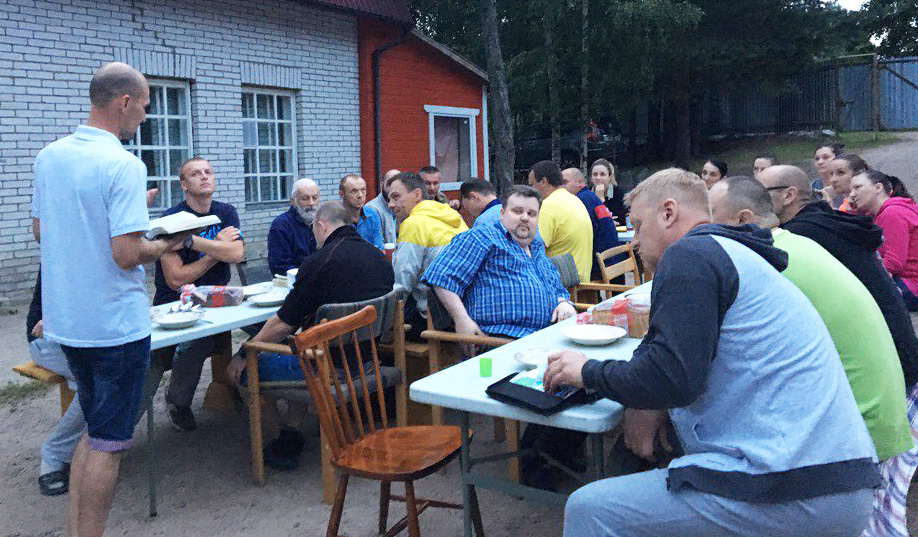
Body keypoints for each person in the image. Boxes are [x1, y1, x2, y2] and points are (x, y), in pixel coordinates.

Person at [546, 168, 879, 537]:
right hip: (834, 477)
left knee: (591, 509)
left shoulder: (690, 254)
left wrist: (586, 371)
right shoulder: (729, 252)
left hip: (795, 485)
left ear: (669, 212)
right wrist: (646, 400)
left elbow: (671, 379)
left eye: (638, 226)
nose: (634, 241)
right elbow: (664, 349)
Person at [712, 175, 918, 537]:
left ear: (743, 219)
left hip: (861, 430)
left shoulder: (772, 260)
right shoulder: (795, 241)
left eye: (710, 216)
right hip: (891, 401)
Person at [32, 62, 188, 537]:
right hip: (115, 327)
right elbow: (126, 254)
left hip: (69, 322)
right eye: (144, 106)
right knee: (109, 443)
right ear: (123, 102)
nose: (145, 115)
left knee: (94, 432)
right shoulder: (123, 164)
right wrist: (162, 244)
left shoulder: (50, 156)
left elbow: (41, 230)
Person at [226, 201, 394, 469]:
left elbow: (283, 324)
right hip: (368, 361)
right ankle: (293, 431)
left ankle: (282, 440)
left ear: (321, 226)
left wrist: (244, 353)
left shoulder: (320, 263)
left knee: (245, 371)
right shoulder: (380, 259)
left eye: (314, 230)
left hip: (329, 368)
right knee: (304, 346)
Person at [757, 165, 918, 391]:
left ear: (789, 195)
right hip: (896, 349)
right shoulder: (822, 220)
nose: (754, 200)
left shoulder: (802, 235)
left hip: (887, 366)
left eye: (761, 193)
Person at [151, 157, 244, 431]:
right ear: (183, 184)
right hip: (175, 305)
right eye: (195, 173)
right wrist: (216, 251)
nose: (204, 176)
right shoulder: (170, 220)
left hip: (218, 301)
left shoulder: (226, 212)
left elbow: (236, 254)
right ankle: (178, 403)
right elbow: (176, 279)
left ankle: (246, 389)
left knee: (264, 324)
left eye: (208, 172)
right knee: (196, 342)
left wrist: (192, 241)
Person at [424, 185, 576, 340]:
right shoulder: (483, 236)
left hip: (547, 335)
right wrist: (462, 319)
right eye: (517, 211)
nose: (525, 217)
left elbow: (557, 289)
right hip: (502, 339)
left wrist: (563, 303)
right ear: (502, 214)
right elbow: (441, 276)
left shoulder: (537, 248)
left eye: (531, 214)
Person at [388, 172, 468, 339]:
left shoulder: (414, 223)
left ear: (417, 194)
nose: (390, 204)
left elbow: (402, 281)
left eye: (396, 197)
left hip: (435, 318)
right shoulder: (454, 217)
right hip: (465, 308)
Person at [850, 170, 918, 311]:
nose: (852, 195)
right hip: (908, 282)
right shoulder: (886, 212)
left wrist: (860, 275)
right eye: (851, 190)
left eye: (857, 187)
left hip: (912, 285)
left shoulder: (891, 213)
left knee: (856, 302)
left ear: (878, 187)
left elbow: (894, 263)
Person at [528, 161, 593, 283]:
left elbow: (534, 248)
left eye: (532, 184)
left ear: (544, 181)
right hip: (582, 278)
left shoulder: (548, 206)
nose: (531, 189)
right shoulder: (575, 200)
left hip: (564, 281)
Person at [562, 167, 620, 279]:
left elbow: (584, 235)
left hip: (600, 267)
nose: (561, 187)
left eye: (565, 182)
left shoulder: (580, 201)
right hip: (612, 261)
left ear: (579, 182)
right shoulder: (590, 196)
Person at [267, 178, 319, 275]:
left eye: (315, 198)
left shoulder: (322, 222)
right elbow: (280, 267)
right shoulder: (281, 226)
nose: (311, 203)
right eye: (305, 198)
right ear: (293, 201)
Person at [338, 173, 384, 248]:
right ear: (341, 194)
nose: (360, 195)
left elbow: (379, 247)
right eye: (354, 191)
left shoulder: (372, 215)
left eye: (363, 190)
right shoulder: (335, 218)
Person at [365, 168, 400, 244]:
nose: (393, 188)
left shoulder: (405, 205)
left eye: (397, 184)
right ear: (382, 185)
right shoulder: (371, 209)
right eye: (390, 183)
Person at [590, 158, 628, 225]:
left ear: (609, 177)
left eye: (602, 174)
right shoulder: (587, 194)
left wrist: (601, 200)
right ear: (591, 178)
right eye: (595, 174)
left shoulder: (619, 193)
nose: (598, 178)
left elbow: (623, 219)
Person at [812, 142, 846, 206]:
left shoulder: (849, 186)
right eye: (817, 159)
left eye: (825, 157)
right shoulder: (813, 186)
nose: (820, 162)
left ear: (838, 158)